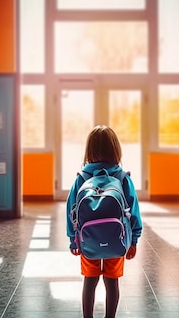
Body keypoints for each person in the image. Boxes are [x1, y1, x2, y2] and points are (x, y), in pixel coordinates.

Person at [66, 125, 143, 318]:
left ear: (89, 150)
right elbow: (133, 211)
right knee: (112, 283)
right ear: (115, 149)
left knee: (89, 282)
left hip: (87, 239)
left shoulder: (81, 178)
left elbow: (71, 210)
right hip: (117, 238)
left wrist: (72, 239)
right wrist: (133, 240)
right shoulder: (122, 178)